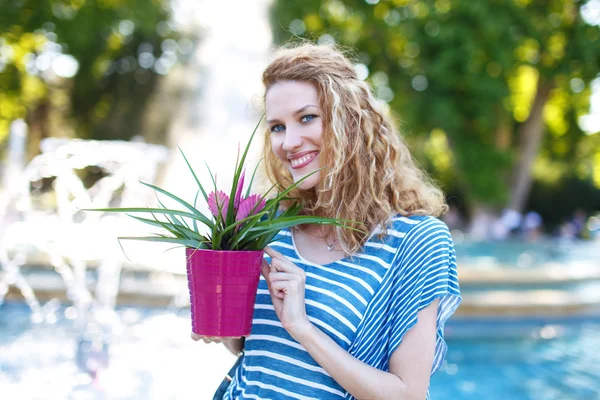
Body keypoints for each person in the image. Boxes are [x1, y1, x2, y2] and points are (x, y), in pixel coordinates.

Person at [192, 43, 462, 400]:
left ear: (350, 121)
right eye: (276, 126)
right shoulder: (266, 223)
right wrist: (219, 316)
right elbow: (250, 350)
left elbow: (407, 395)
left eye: (307, 118)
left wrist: (302, 328)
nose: (288, 142)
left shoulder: (415, 242)